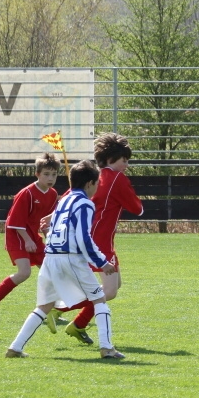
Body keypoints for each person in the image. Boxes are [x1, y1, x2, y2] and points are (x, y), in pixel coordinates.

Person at [6, 159, 124, 359]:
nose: (97, 188)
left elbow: (52, 230)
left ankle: (15, 348)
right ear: (89, 184)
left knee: (43, 306)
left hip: (51, 257)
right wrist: (102, 262)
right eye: (97, 183)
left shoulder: (63, 201)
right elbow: (83, 238)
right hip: (70, 258)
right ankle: (107, 348)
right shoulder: (85, 204)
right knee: (99, 299)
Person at [61, 132, 144, 345]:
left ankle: (77, 324)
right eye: (124, 161)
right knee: (109, 290)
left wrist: (50, 217)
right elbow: (138, 209)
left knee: (116, 284)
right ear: (110, 160)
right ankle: (59, 311)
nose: (126, 165)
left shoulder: (92, 175)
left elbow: (67, 197)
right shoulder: (117, 178)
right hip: (99, 242)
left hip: (88, 238)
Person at [0, 154, 60, 326]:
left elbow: (45, 221)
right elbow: (14, 222)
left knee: (52, 271)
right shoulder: (26, 193)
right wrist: (27, 240)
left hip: (33, 235)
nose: (50, 178)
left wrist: (48, 235)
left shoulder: (52, 194)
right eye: (46, 174)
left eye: (54, 174)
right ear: (37, 174)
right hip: (17, 235)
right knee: (24, 272)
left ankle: (51, 309)